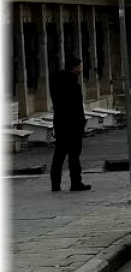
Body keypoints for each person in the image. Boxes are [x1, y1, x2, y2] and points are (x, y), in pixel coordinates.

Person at [49, 56, 90, 192]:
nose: (81, 69)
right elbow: (76, 106)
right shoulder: (72, 84)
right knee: (74, 154)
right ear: (74, 67)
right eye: (79, 66)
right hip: (73, 124)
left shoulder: (55, 82)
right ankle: (76, 182)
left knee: (59, 154)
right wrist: (81, 122)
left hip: (60, 122)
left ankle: (55, 184)